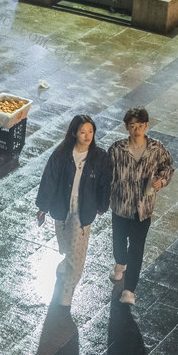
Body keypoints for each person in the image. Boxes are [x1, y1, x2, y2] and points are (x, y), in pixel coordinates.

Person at [35, 115, 111, 307]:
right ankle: (65, 265)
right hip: (61, 205)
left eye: (91, 132)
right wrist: (43, 206)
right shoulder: (61, 155)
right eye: (83, 132)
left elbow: (104, 184)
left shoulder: (100, 157)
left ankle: (68, 287)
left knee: (77, 252)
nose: (87, 136)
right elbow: (49, 180)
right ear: (74, 133)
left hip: (83, 208)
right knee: (65, 245)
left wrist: (102, 205)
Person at [108, 107, 174, 305]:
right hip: (121, 207)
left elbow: (168, 166)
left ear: (146, 126)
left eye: (140, 126)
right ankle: (120, 263)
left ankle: (129, 290)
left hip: (143, 210)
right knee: (119, 243)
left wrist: (161, 181)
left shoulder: (156, 148)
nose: (136, 130)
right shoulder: (117, 149)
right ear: (127, 127)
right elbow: (106, 173)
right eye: (132, 126)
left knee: (136, 248)